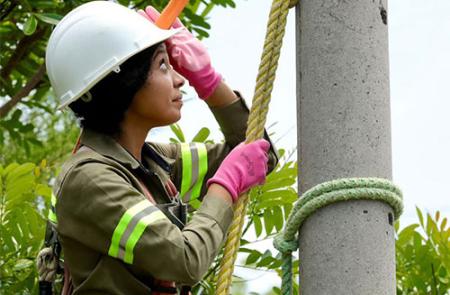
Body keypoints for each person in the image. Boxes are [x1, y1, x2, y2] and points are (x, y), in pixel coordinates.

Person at [38, 1, 278, 294]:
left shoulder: (151, 164)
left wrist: (210, 81)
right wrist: (225, 185)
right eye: (163, 65)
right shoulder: (91, 181)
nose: (180, 79)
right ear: (123, 83)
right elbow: (185, 259)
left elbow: (257, 156)